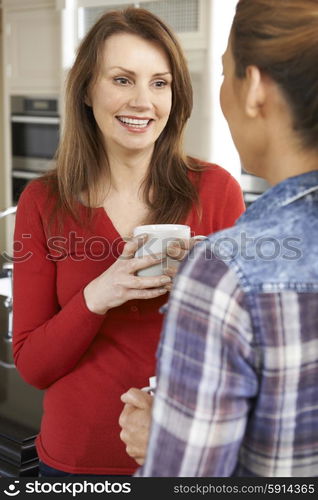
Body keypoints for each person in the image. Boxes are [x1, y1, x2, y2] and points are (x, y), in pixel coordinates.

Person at [12, 7, 244, 477]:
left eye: (160, 83)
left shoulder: (217, 190)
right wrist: (100, 293)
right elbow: (33, 366)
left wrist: (208, 284)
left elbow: (247, 350)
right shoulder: (42, 202)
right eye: (122, 80)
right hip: (73, 464)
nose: (143, 101)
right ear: (86, 91)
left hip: (181, 462)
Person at [119, 0, 318, 477]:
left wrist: (165, 438)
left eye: (226, 73)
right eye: (122, 79)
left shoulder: (227, 271)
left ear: (253, 89)